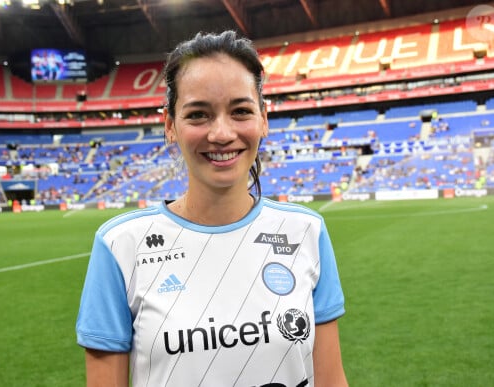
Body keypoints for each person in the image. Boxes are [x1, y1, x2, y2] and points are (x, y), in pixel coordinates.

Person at [76, 30, 348, 387]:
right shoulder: (120, 245)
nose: (221, 133)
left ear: (263, 119)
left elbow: (331, 381)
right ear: (170, 125)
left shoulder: (306, 232)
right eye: (199, 115)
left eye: (240, 111)